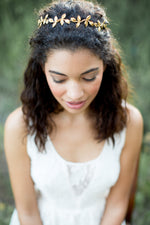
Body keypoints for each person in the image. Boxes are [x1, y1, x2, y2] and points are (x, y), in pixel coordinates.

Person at [4, 0, 143, 225]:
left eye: (89, 77)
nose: (75, 94)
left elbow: (118, 204)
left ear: (105, 66)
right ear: (42, 69)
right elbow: (27, 213)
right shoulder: (19, 126)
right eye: (59, 79)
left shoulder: (129, 121)